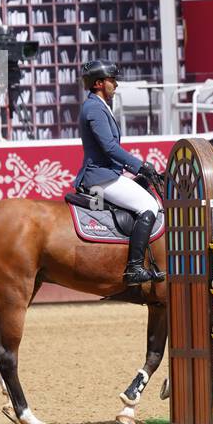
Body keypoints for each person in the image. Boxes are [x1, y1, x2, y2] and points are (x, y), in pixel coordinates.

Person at [74, 60, 165, 284]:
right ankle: (134, 268)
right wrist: (139, 165)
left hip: (108, 172)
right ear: (98, 83)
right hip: (99, 178)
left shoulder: (100, 105)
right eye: (112, 80)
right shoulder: (94, 108)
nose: (116, 84)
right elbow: (109, 147)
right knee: (149, 206)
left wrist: (132, 173)